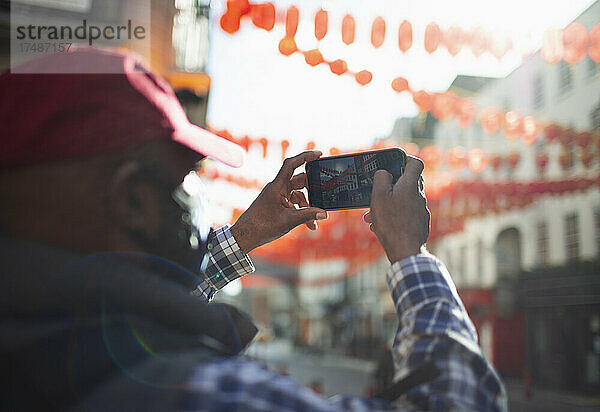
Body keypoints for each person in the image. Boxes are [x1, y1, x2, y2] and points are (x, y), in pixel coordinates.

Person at [0, 49, 506, 411]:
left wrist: (244, 236)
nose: (202, 199)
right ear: (134, 201)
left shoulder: (41, 339)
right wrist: (410, 253)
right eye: (189, 179)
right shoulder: (204, 392)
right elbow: (458, 400)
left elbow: (121, 297)